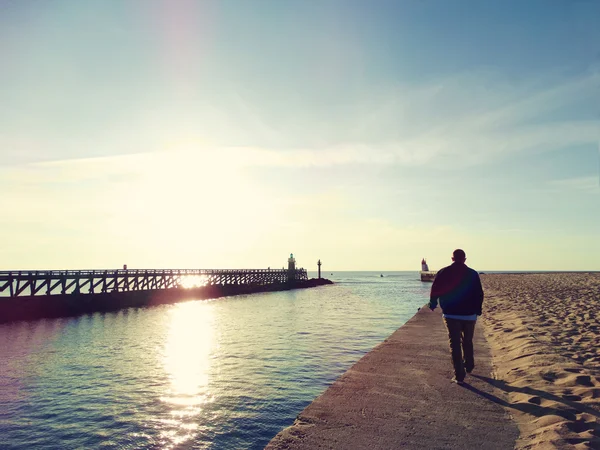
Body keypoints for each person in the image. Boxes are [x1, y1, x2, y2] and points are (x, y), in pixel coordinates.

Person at [429, 249, 484, 385]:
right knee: (468, 340)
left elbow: (435, 289)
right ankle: (469, 365)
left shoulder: (443, 272)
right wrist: (478, 309)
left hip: (451, 313)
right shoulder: (472, 274)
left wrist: (433, 303)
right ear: (464, 259)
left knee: (455, 344)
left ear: (452, 258)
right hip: (470, 315)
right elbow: (479, 293)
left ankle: (459, 375)